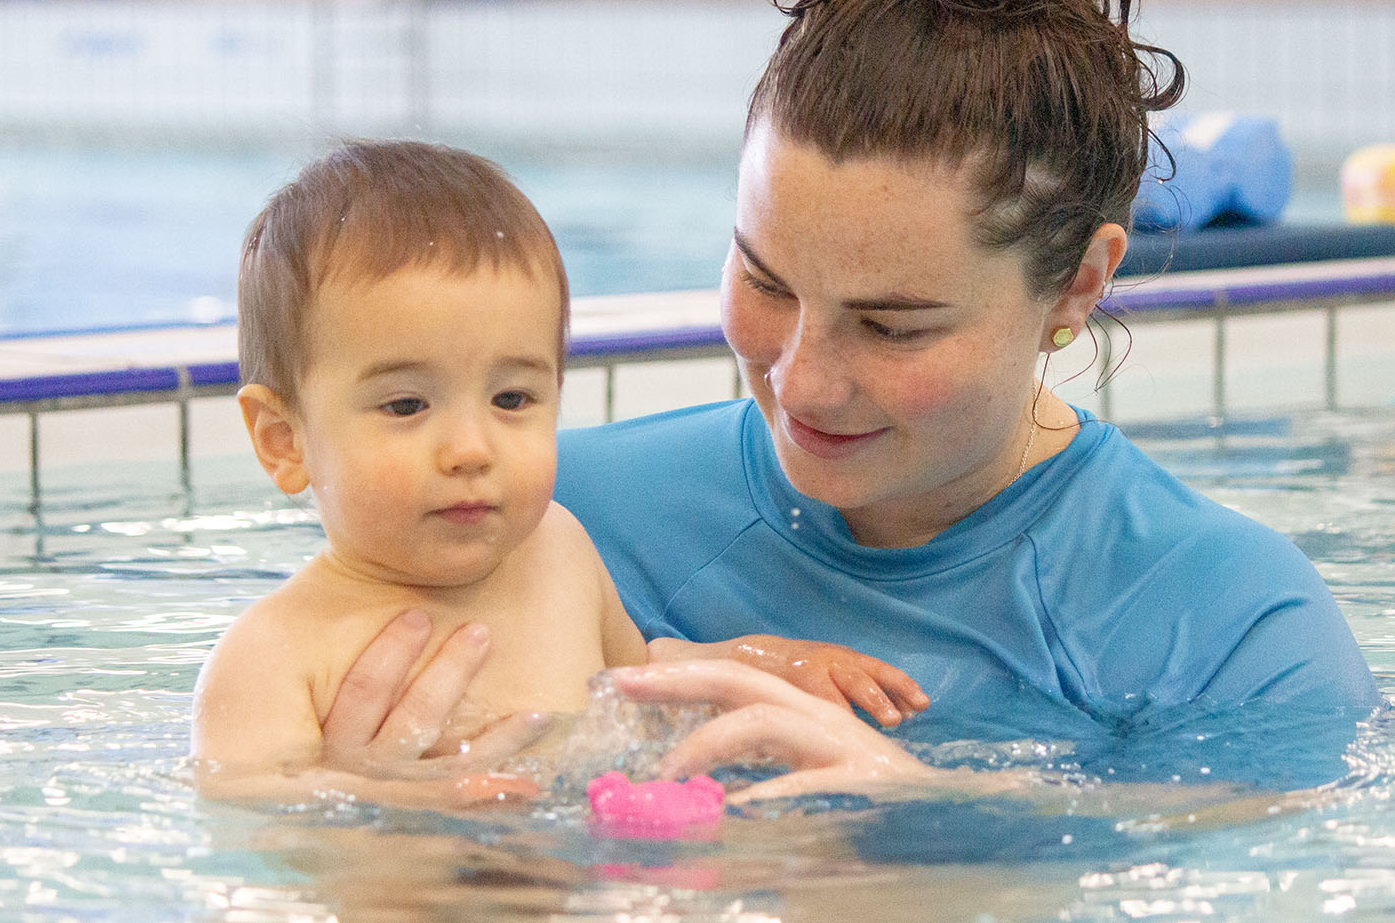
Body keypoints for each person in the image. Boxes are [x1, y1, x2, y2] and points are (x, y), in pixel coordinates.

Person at [312, 0, 1384, 803]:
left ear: (1079, 282)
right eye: (764, 281)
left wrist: (934, 805)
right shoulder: (528, 522)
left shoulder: (1227, 628)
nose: (804, 379)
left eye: (893, 324)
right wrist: (358, 806)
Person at [190, 140, 926, 804]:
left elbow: (636, 679)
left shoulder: (557, 548)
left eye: (512, 397)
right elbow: (255, 813)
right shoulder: (275, 655)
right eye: (406, 404)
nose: (470, 448)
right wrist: (391, 803)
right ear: (284, 441)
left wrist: (759, 668)